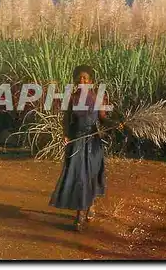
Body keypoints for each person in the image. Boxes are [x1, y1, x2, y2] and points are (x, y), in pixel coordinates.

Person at [49, 64, 112, 231]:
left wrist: (116, 124)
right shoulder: (72, 98)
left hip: (93, 142)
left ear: (91, 81)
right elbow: (67, 119)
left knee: (90, 175)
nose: (82, 80)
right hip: (77, 142)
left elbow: (103, 119)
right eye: (80, 78)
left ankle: (90, 205)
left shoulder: (98, 97)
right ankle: (80, 216)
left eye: (85, 78)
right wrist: (66, 134)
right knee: (79, 177)